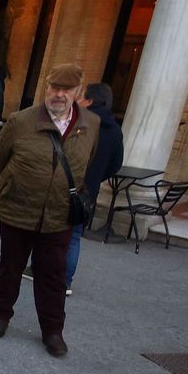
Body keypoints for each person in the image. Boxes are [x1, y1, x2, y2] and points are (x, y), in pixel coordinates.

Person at [0, 64, 98, 358]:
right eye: (53, 88)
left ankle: (52, 331)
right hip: (17, 209)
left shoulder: (91, 124)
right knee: (10, 266)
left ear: (77, 92)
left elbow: (93, 163)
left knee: (53, 274)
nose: (58, 95)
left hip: (59, 215)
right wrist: (12, 184)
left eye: (66, 90)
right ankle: (0, 315)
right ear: (45, 89)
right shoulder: (21, 121)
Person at [66, 83, 126, 295]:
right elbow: (116, 163)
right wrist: (97, 177)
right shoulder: (115, 130)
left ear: (90, 101)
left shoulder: (79, 123)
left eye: (82, 97)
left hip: (64, 185)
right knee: (74, 236)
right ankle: (65, 282)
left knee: (50, 232)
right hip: (88, 191)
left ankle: (40, 270)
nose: (79, 101)